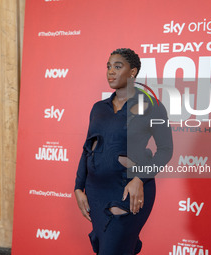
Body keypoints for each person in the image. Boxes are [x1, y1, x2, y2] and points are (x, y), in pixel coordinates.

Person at [74, 48, 173, 255]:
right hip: (96, 191)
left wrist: (139, 179)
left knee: (114, 247)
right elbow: (87, 148)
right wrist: (78, 187)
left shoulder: (152, 106)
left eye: (118, 67)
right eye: (108, 67)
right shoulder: (98, 108)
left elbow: (165, 150)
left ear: (132, 72)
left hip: (128, 189)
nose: (111, 71)